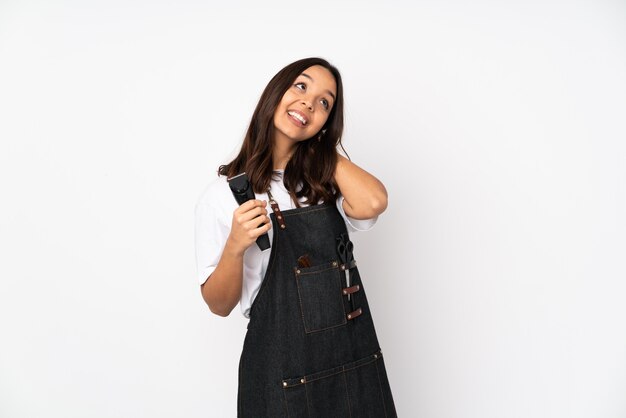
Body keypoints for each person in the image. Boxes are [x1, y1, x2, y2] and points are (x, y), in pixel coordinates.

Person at [195, 57, 397, 417]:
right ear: (275, 93)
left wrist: (321, 149)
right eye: (301, 87)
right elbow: (218, 304)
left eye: (324, 103)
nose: (309, 102)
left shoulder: (325, 183)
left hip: (350, 364)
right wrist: (235, 247)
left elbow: (374, 201)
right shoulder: (223, 195)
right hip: (280, 373)